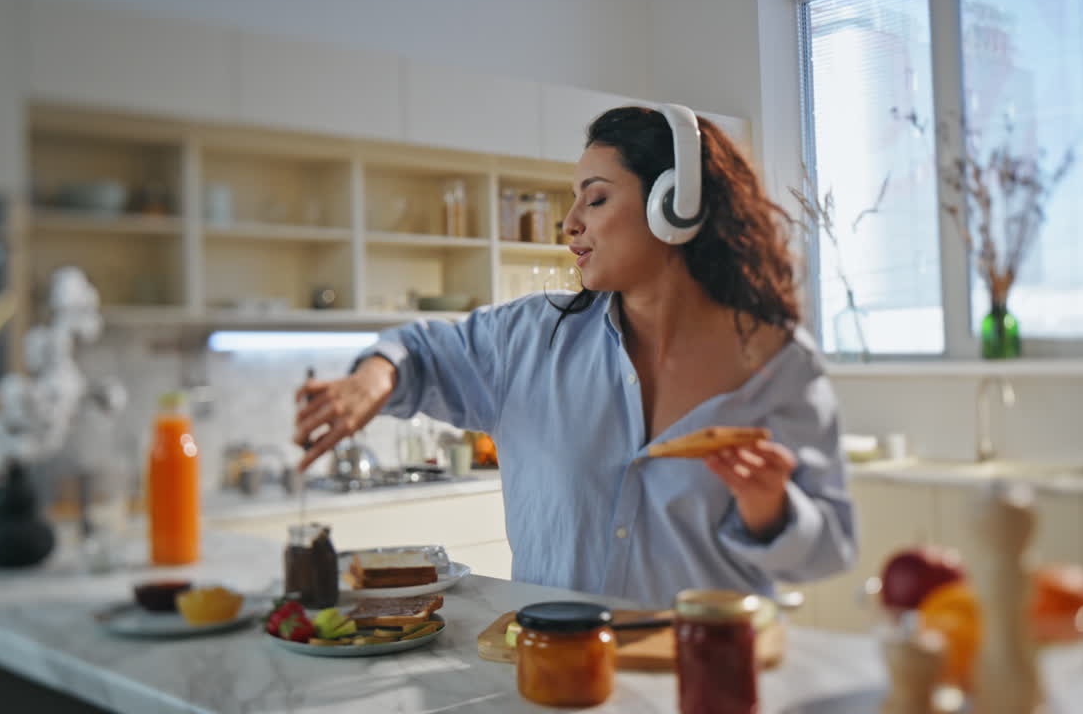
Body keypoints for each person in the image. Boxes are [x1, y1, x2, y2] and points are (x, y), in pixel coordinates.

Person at [294, 105, 856, 609]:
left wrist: (770, 510)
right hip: (556, 672)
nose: (570, 225)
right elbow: (416, 351)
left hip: (700, 678)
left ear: (675, 206)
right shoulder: (528, 340)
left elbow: (828, 552)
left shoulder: (780, 365)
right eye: (574, 200)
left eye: (597, 197)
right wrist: (375, 375)